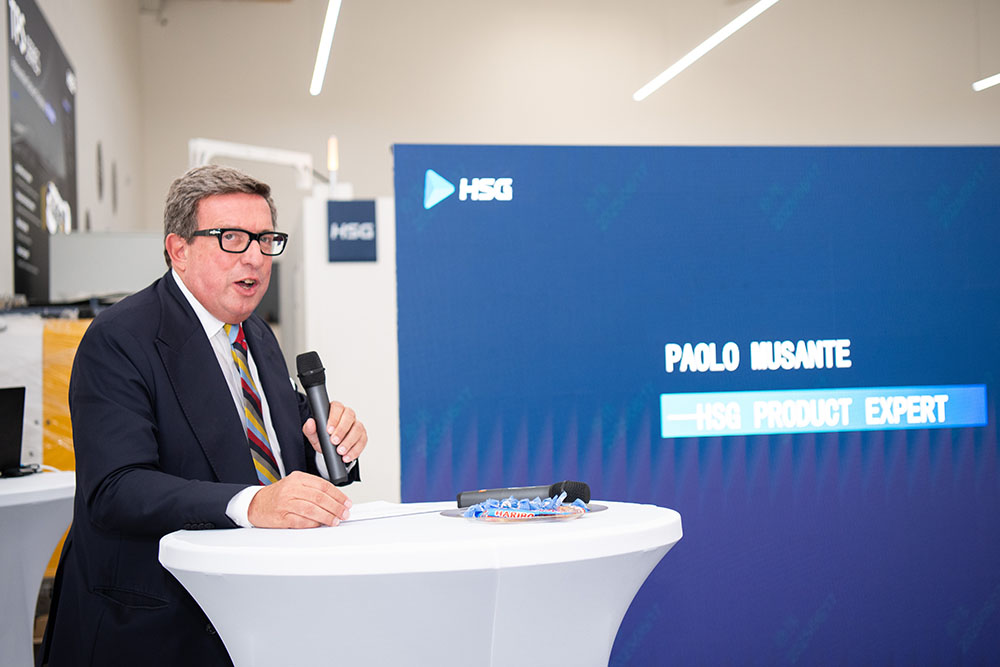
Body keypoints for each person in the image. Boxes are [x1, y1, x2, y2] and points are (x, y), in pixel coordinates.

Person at [39, 165, 367, 666]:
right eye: (231, 238)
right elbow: (116, 488)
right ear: (179, 250)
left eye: (265, 240)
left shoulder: (258, 336)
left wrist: (330, 444)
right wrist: (253, 504)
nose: (255, 257)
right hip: (158, 626)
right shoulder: (119, 338)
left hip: (260, 613)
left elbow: (279, 452)